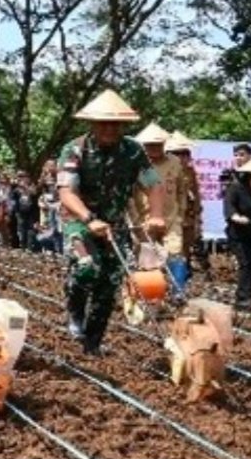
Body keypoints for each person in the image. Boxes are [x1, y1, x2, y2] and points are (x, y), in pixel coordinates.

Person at [56, 90, 165, 355]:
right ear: (92, 124)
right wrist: (89, 219)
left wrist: (156, 215)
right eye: (103, 123)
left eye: (115, 124)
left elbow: (153, 185)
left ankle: (92, 344)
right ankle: (75, 310)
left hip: (115, 226)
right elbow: (67, 192)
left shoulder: (133, 151)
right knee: (86, 268)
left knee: (109, 283)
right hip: (79, 222)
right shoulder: (75, 150)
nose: (109, 129)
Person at [128, 122, 188, 298]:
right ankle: (148, 295)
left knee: (176, 252)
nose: (154, 148)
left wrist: (182, 212)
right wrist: (133, 220)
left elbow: (181, 190)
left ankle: (178, 292)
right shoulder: (136, 165)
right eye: (150, 145)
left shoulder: (175, 163)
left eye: (157, 144)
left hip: (171, 217)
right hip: (143, 219)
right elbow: (129, 195)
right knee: (146, 257)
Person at [223, 156, 251, 311]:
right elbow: (229, 208)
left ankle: (249, 294)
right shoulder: (236, 188)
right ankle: (244, 297)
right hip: (240, 235)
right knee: (246, 263)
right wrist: (237, 217)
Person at [168, 134, 210, 281]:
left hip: (189, 216)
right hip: (171, 216)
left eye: (185, 154)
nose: (182, 157)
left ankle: (182, 276)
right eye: (177, 153)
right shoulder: (166, 171)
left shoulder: (191, 172)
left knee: (186, 246)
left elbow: (196, 194)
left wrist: (198, 211)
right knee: (172, 247)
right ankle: (172, 276)